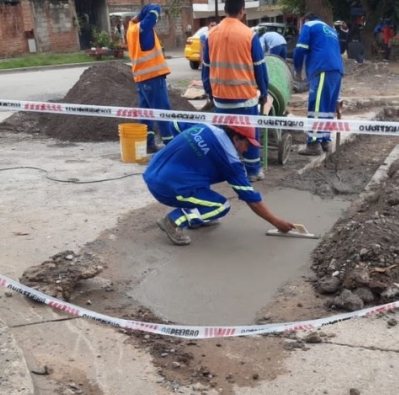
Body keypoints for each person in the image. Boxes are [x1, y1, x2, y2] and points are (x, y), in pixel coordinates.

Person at [144, 124, 295, 246]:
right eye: (247, 144)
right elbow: (251, 198)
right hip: (168, 188)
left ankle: (197, 217)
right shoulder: (231, 162)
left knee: (201, 183)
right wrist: (276, 222)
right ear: (236, 139)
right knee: (221, 206)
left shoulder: (204, 127)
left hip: (152, 172)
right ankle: (174, 220)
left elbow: (175, 125)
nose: (247, 150)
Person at [202, 0, 269, 181]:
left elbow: (206, 67)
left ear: (224, 10)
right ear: (242, 11)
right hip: (244, 97)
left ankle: (225, 169)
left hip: (221, 98)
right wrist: (263, 92)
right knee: (249, 135)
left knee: (223, 135)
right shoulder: (249, 35)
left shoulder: (211, 34)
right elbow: (260, 68)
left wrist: (210, 91)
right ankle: (253, 170)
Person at [293, 12, 344, 156]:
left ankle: (314, 143)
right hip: (337, 71)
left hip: (322, 68)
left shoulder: (309, 25)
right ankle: (325, 140)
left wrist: (297, 70)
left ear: (306, 20)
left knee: (316, 106)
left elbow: (300, 49)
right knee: (327, 108)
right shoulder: (331, 30)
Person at [127, 5, 174, 154]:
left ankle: (148, 143)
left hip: (141, 79)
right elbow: (155, 8)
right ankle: (170, 145)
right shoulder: (143, 28)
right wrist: (141, 14)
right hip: (153, 78)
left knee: (145, 113)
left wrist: (138, 16)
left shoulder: (131, 30)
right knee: (162, 112)